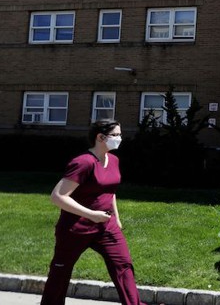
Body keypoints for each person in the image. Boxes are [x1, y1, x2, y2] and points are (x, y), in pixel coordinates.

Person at [41, 120, 149, 305]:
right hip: (76, 228)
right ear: (100, 137)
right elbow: (58, 196)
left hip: (107, 226)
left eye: (119, 135)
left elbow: (110, 191)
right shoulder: (83, 162)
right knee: (61, 271)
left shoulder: (113, 160)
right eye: (116, 135)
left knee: (123, 266)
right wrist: (91, 215)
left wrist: (117, 218)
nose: (120, 139)